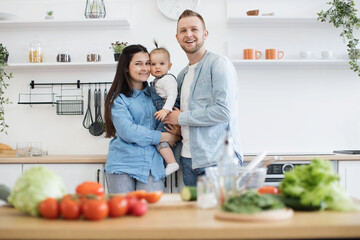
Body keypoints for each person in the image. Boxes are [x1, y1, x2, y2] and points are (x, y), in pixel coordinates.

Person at [164, 10, 243, 186]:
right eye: (183, 31)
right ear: (177, 37)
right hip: (188, 159)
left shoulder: (218, 64)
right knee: (195, 214)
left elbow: (224, 112)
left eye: (194, 29)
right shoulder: (182, 75)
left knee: (221, 213)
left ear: (205, 34)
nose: (188, 34)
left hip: (218, 161)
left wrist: (181, 118)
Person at [103, 44, 178, 193]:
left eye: (147, 63)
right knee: (123, 215)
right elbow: (129, 132)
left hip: (153, 166)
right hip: (122, 165)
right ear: (126, 67)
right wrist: (165, 137)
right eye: (138, 64)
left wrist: (175, 132)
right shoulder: (118, 99)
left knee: (150, 215)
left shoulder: (157, 94)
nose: (145, 68)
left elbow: (171, 116)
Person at [149, 41, 180, 176]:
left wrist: (166, 110)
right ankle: (170, 162)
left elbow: (172, 95)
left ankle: (172, 163)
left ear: (169, 66)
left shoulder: (167, 79)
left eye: (161, 64)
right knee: (160, 139)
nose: (157, 67)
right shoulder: (157, 81)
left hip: (169, 111)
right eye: (153, 64)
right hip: (165, 112)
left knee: (160, 139)